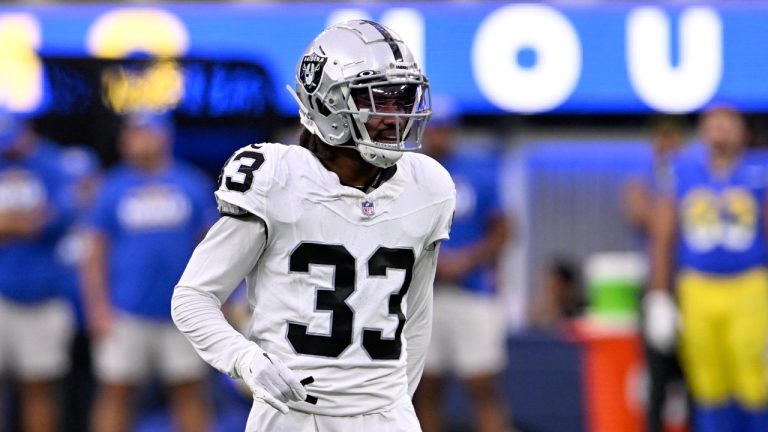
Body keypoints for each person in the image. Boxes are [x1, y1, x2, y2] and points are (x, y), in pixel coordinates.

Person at [171, 20, 455, 431]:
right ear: (329, 103)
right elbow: (192, 298)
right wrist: (247, 360)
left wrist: (389, 406)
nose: (394, 116)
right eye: (376, 100)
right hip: (292, 416)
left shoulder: (429, 186)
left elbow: (417, 316)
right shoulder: (274, 179)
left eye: (402, 99)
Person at [81, 112, 215, 432]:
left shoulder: (191, 183)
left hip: (183, 312)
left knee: (189, 389)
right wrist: (97, 308)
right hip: (125, 310)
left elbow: (211, 247)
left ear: (163, 136)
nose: (135, 141)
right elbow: (95, 253)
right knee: (115, 390)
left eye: (143, 133)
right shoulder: (111, 187)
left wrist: (213, 303)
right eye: (131, 134)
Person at [648, 106, 768, 431]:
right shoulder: (682, 170)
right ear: (702, 131)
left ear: (743, 132)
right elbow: (664, 234)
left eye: (728, 124)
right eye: (713, 125)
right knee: (706, 381)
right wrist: (659, 295)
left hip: (749, 285)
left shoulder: (760, 169)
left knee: (755, 378)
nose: (721, 132)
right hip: (697, 286)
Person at [413, 98, 511, 432]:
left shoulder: (478, 171)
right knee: (426, 388)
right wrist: (435, 264)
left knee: (483, 384)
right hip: (425, 294)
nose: (440, 136)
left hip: (472, 289)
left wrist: (469, 259)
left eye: (445, 128)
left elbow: (503, 230)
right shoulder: (410, 174)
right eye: (434, 129)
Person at [0, 110, 77, 432]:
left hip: (46, 293)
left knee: (39, 387)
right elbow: (34, 220)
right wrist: (25, 221)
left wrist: (9, 223)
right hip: (2, 292)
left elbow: (55, 217)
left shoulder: (53, 163)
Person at [621, 116, 688, 432]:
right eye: (663, 138)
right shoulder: (642, 178)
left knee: (696, 381)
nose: (668, 145)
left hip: (693, 286)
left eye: (673, 138)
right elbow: (642, 215)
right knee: (658, 381)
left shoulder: (695, 175)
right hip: (657, 288)